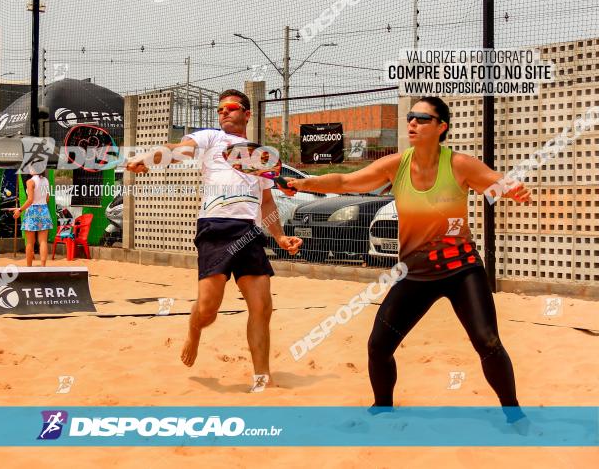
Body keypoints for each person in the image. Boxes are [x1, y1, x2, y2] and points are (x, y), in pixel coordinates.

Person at [283, 97, 531, 422]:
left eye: (421, 118)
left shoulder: (459, 165)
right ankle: (382, 407)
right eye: (410, 117)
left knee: (487, 341)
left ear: (441, 127)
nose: (412, 123)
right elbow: (346, 182)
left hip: (462, 270)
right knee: (378, 345)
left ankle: (514, 415)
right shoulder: (396, 165)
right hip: (414, 273)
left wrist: (515, 189)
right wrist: (303, 182)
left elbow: (496, 181)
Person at [126, 89, 303, 387]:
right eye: (220, 109)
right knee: (208, 310)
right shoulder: (210, 137)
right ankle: (194, 330)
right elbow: (179, 151)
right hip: (215, 227)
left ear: (247, 114)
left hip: (248, 230)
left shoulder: (261, 154)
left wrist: (281, 236)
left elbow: (267, 201)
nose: (223, 113)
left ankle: (262, 378)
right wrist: (148, 157)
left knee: (262, 307)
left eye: (230, 108)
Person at [13, 166, 53, 266]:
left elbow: (30, 200)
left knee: (30, 242)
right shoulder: (46, 180)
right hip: (44, 210)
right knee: (43, 241)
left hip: (32, 211)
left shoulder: (30, 181)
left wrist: (19, 210)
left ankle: (29, 267)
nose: (29, 169)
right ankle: (43, 267)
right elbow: (47, 198)